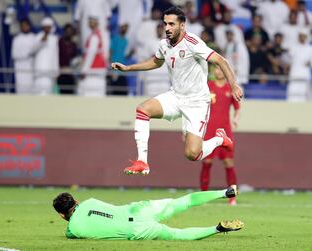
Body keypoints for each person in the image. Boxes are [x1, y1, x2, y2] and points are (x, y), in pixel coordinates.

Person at [111, 7, 243, 175]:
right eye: (165, 24)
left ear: (182, 25)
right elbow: (156, 62)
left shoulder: (193, 43)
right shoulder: (164, 44)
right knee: (143, 109)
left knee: (192, 154)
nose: (167, 28)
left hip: (197, 103)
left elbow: (221, 61)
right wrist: (129, 68)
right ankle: (142, 161)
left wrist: (233, 86)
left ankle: (219, 139)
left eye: (172, 24)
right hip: (175, 96)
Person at [52, 185, 244, 240]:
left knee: (179, 235)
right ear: (76, 201)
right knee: (183, 202)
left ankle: (217, 228)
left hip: (137, 230)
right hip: (138, 209)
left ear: (61, 215)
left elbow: (70, 231)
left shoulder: (73, 230)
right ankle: (224, 192)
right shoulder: (90, 201)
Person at [200, 66, 241, 205]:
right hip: (209, 130)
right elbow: (199, 106)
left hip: (225, 131)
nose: (218, 71)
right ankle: (203, 196)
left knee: (229, 163)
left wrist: (235, 120)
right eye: (216, 69)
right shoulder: (207, 86)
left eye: (221, 69)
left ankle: (232, 197)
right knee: (207, 162)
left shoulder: (231, 88)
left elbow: (237, 108)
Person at [78, 17, 107, 97]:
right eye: (89, 22)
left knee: (90, 92)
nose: (90, 24)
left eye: (92, 22)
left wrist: (84, 70)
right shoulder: (99, 35)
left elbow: (91, 54)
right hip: (98, 68)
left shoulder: (95, 36)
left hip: (94, 69)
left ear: (96, 23)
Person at [32, 17, 59, 95]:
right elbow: (32, 50)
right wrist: (41, 41)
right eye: (46, 27)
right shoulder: (37, 37)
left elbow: (55, 55)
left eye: (49, 27)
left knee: (49, 93)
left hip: (50, 71)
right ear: (42, 27)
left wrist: (56, 71)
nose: (47, 29)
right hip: (39, 70)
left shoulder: (54, 39)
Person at [11, 18, 36, 94]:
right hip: (20, 69)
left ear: (29, 26)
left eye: (26, 26)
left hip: (31, 68)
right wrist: (27, 53)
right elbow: (14, 55)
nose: (24, 27)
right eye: (22, 26)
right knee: (21, 89)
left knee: (32, 90)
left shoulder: (34, 38)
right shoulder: (17, 39)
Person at [58, 23, 78, 94]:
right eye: (67, 31)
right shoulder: (59, 43)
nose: (69, 33)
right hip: (61, 72)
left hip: (70, 73)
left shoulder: (74, 45)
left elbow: (75, 59)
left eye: (70, 31)